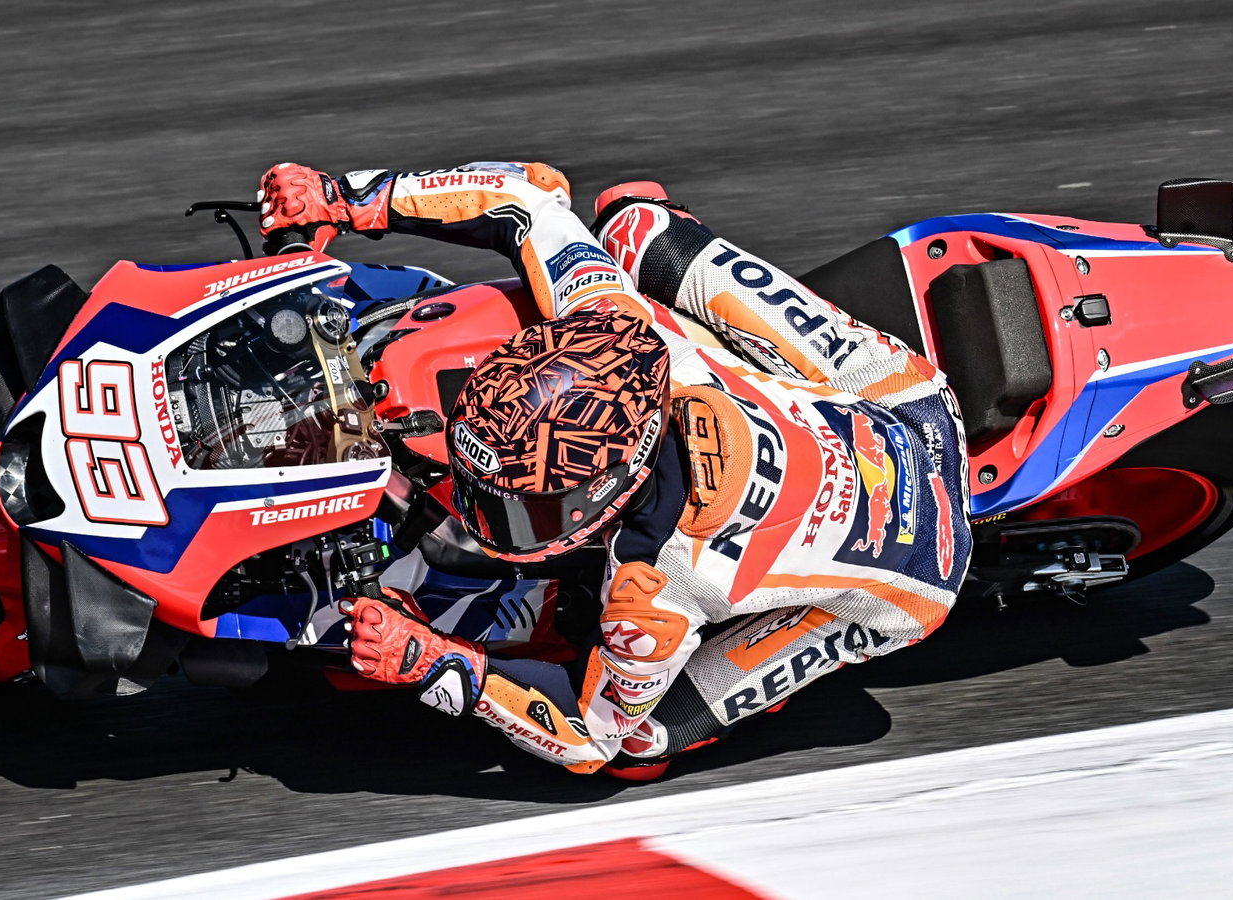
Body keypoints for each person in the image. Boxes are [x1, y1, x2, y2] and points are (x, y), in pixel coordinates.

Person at [257, 161, 972, 778]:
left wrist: (439, 664)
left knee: (639, 741)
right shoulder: (617, 321)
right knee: (633, 226)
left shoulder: (654, 592)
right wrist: (347, 197)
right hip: (899, 398)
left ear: (609, 492)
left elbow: (586, 740)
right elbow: (527, 196)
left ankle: (839, 622)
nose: (484, 514)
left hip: (918, 574)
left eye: (522, 507)